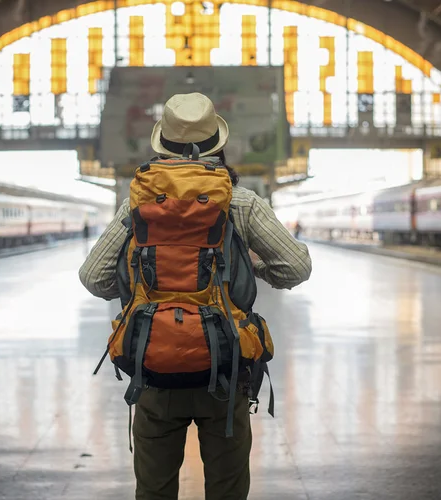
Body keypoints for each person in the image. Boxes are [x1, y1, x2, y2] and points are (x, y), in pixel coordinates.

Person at [79, 92, 312, 500]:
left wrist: (142, 286)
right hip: (225, 367)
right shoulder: (241, 203)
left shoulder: (136, 204)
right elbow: (296, 267)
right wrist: (251, 265)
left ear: (163, 144)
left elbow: (94, 277)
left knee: (154, 491)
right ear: (217, 146)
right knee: (227, 490)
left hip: (153, 367)